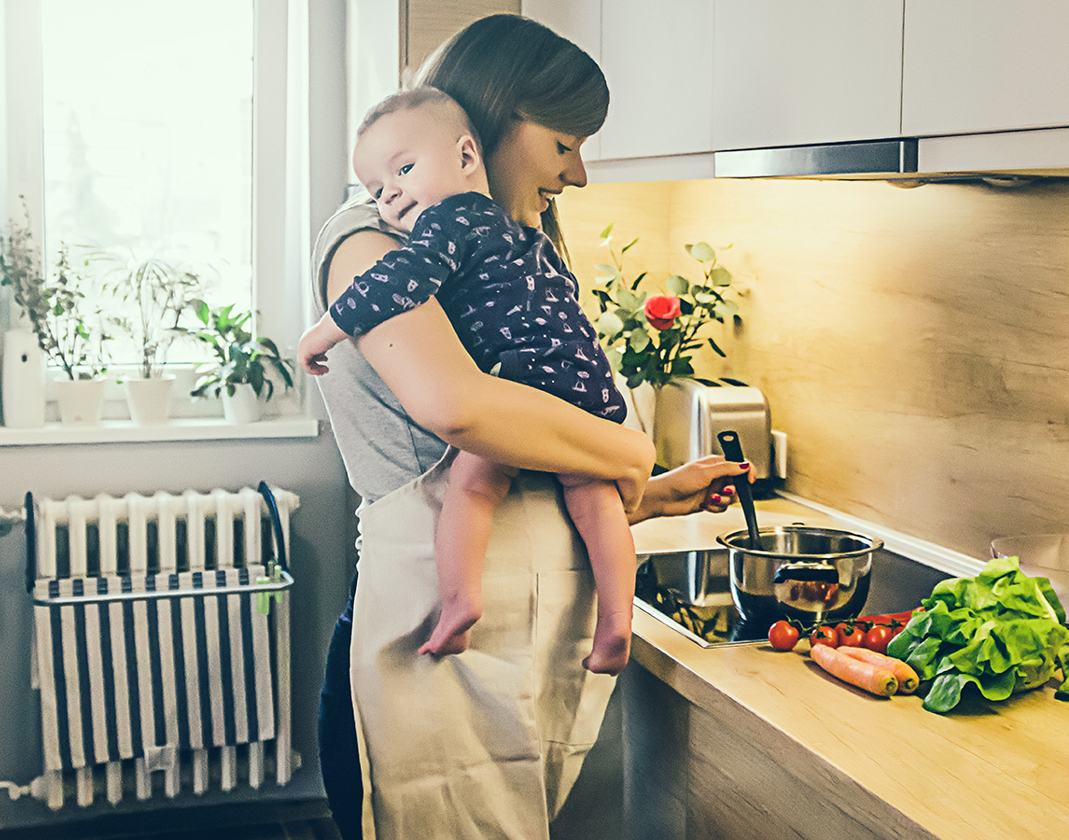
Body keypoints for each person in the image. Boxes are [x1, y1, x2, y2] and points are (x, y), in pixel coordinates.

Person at [312, 14, 750, 840]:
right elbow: (461, 409)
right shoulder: (370, 240)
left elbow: (537, 466)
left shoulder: (512, 254)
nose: (579, 173)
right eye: (564, 142)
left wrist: (649, 496)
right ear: (492, 126)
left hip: (515, 666)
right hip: (427, 653)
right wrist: (628, 448)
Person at [299, 87, 638, 675]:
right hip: (582, 379)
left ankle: (459, 600)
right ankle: (615, 625)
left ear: (464, 156)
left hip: (519, 379)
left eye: (404, 171)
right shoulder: (525, 235)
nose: (390, 195)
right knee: (596, 500)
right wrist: (633, 454)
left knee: (473, 486)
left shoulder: (449, 219)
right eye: (379, 190)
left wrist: (326, 329)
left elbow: (398, 282)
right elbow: (568, 304)